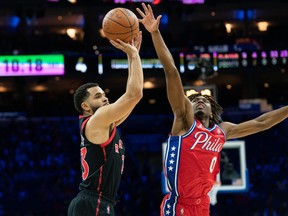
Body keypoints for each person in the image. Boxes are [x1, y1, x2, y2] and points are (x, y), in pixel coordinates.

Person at [136, 3, 288, 216]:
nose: (199, 101)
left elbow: (262, 123)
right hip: (179, 205)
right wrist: (155, 32)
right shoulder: (184, 120)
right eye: (195, 98)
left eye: (204, 100)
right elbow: (171, 70)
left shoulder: (222, 130)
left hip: (203, 205)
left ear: (212, 107)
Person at [67, 32, 143, 216]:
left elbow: (132, 100)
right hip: (92, 202)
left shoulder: (105, 123)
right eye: (98, 96)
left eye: (104, 94)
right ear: (85, 106)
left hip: (99, 202)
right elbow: (135, 94)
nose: (105, 97)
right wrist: (133, 56)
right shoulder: (97, 120)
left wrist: (133, 57)